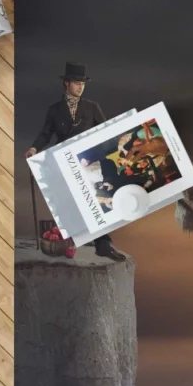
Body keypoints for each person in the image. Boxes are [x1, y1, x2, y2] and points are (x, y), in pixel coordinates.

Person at [25, 62, 127, 261]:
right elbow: (46, 134)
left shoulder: (92, 107)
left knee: (96, 201)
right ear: (66, 84)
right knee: (68, 202)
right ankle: (68, 243)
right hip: (64, 163)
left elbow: (106, 131)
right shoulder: (54, 110)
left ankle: (103, 244)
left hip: (89, 163)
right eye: (76, 83)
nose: (80, 87)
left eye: (83, 83)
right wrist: (34, 148)